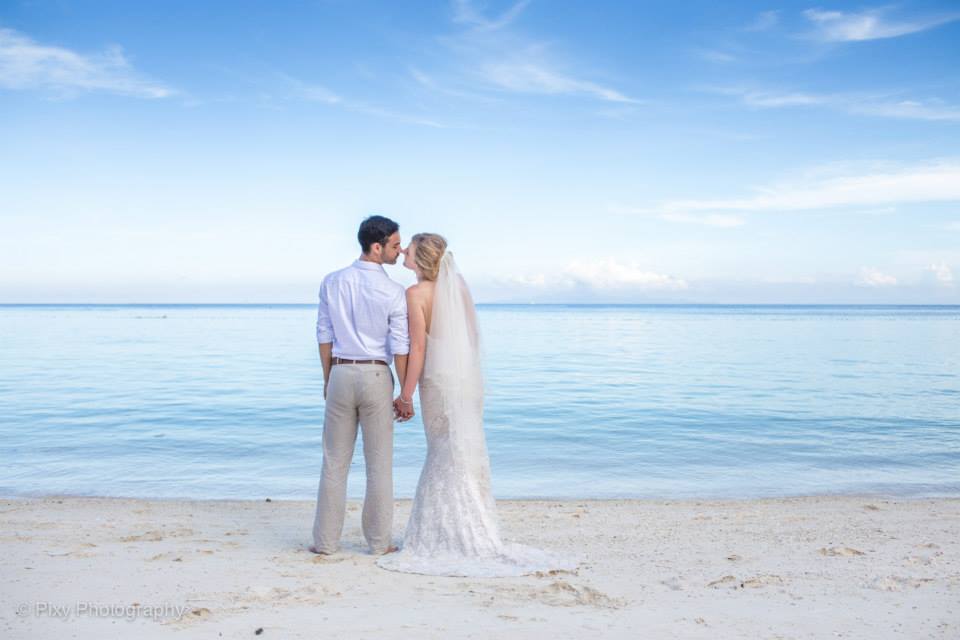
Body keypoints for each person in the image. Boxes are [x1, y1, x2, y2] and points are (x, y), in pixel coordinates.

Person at [377, 233, 570, 576]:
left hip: (436, 384)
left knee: (441, 451)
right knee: (461, 450)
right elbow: (472, 337)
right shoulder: (459, 284)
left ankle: (448, 533)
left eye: (409, 248)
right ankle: (474, 525)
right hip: (466, 381)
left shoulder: (415, 294)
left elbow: (417, 349)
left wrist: (405, 394)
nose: (403, 250)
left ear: (420, 259)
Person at [310, 215, 410, 556]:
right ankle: (380, 543)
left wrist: (328, 378)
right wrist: (405, 394)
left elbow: (324, 334)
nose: (400, 252)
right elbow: (400, 347)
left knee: (334, 461)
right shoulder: (393, 292)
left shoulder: (332, 281)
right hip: (376, 375)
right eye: (395, 246)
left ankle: (325, 543)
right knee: (379, 462)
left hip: (340, 372)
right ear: (377, 246)